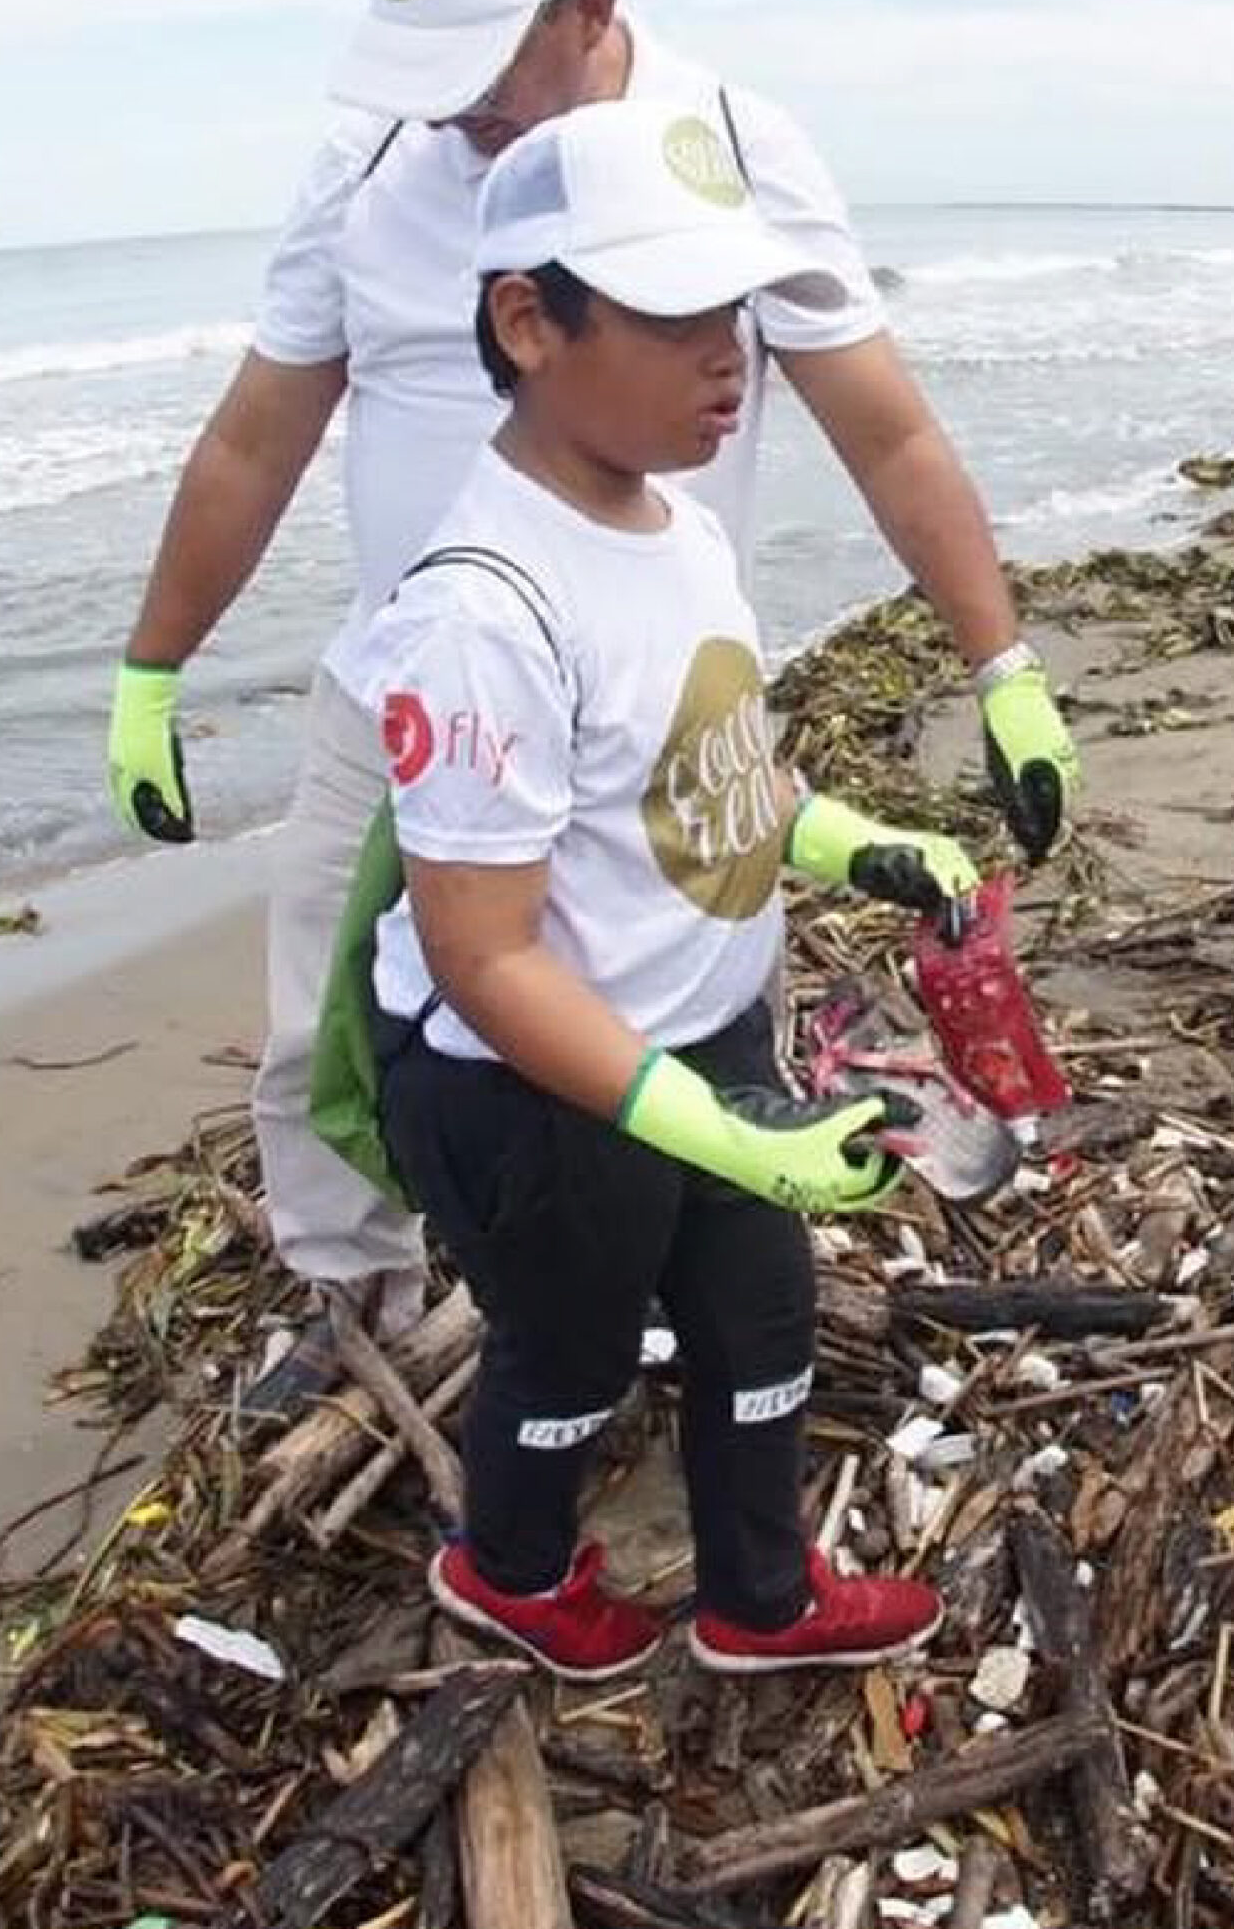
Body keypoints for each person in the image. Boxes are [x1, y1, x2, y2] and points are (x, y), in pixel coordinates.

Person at [105, 0, 1077, 1370]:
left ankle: (620, 1291)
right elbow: (258, 428)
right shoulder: (374, 159)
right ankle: (353, 1292)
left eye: (483, 58)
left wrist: (1003, 664)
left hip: (640, 695)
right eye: (423, 66)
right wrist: (152, 670)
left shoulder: (729, 149)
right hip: (404, 693)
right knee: (322, 1036)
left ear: (591, 4)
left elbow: (884, 427)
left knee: (644, 1009)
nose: (453, 104)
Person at [370, 94, 971, 1675]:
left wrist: (855, 844)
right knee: (565, 1351)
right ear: (527, 319)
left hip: (702, 1040)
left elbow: (717, 776)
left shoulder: (680, 530)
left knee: (759, 1320)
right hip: (538, 1089)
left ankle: (759, 1599)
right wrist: (704, 1127)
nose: (736, 357)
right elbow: (483, 959)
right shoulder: (483, 612)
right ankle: (509, 1567)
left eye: (742, 312)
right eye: (680, 316)